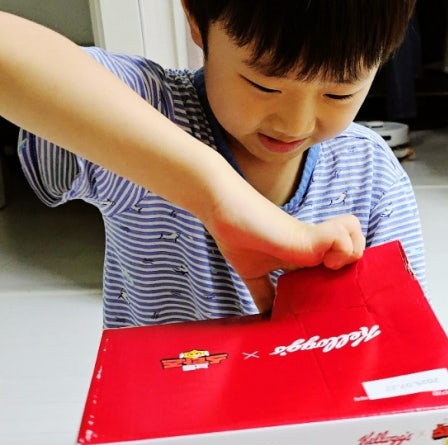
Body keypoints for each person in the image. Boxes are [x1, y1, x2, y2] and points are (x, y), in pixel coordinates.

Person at [0, 1, 421, 325]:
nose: (295, 124)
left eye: (339, 94)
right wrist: (212, 188)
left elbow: (403, 341)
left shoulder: (372, 174)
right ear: (196, 19)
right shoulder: (150, 110)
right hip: (168, 411)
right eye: (263, 85)